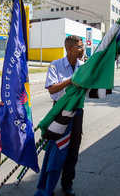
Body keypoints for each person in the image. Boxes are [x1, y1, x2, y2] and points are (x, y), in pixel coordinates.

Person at [35, 35, 84, 196]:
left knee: (73, 151)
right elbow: (52, 89)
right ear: (69, 49)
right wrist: (71, 80)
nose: (82, 49)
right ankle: (48, 187)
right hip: (60, 112)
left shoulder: (83, 66)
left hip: (76, 112)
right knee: (57, 150)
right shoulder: (56, 66)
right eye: (79, 47)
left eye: (82, 46)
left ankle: (67, 185)